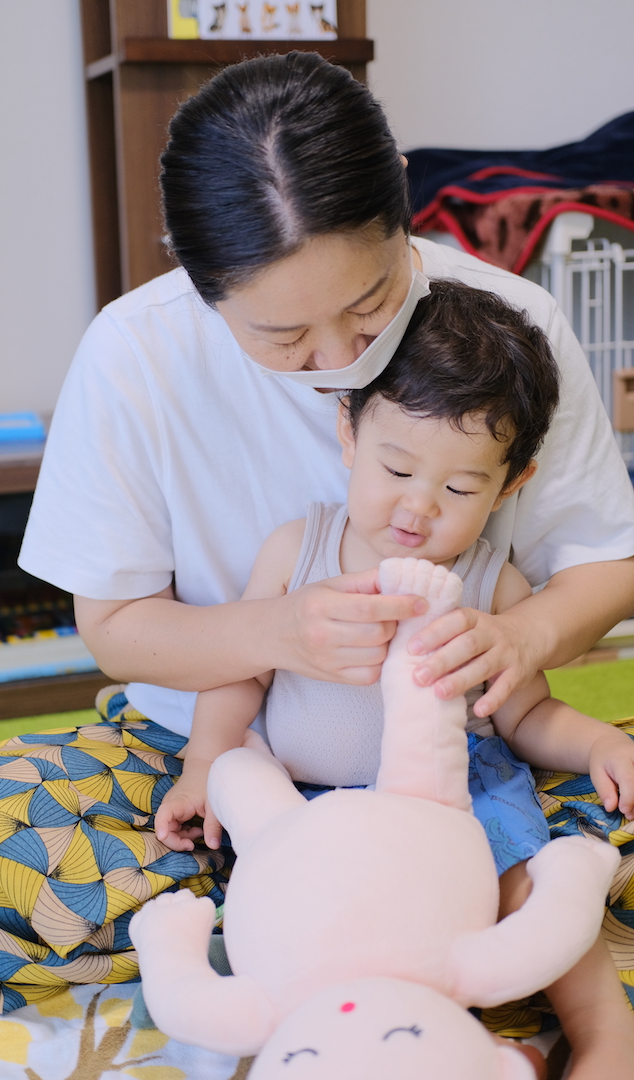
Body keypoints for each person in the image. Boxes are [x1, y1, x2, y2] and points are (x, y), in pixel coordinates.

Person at [0, 51, 633, 1032]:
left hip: (460, 770)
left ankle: (325, 956)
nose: (339, 360)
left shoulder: (508, 332)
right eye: (285, 336)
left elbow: (606, 563)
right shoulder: (135, 355)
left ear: (403, 222)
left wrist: (526, 640)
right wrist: (278, 638)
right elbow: (119, 629)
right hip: (215, 751)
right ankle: (387, 961)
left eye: (372, 304)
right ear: (199, 278)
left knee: (567, 848)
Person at [153, 280, 634, 1079]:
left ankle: (603, 1032)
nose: (417, 508)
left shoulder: (491, 586)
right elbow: (240, 670)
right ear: (348, 432)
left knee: (517, 874)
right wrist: (206, 760)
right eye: (396, 468)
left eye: (458, 489)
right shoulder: (296, 551)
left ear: (511, 484)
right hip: (301, 800)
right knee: (294, 921)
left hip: (456, 801)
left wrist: (595, 746)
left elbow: (527, 715)